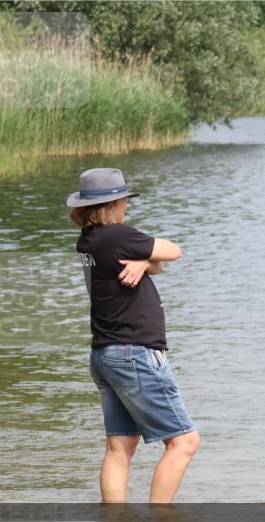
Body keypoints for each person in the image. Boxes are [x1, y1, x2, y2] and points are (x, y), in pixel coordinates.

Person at [70, 168, 200, 503]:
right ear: (112, 204)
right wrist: (148, 260)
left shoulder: (89, 239)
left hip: (105, 354)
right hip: (134, 352)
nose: (126, 206)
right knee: (184, 442)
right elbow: (173, 251)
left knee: (120, 445)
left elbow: (153, 262)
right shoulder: (116, 236)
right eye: (123, 200)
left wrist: (143, 264)